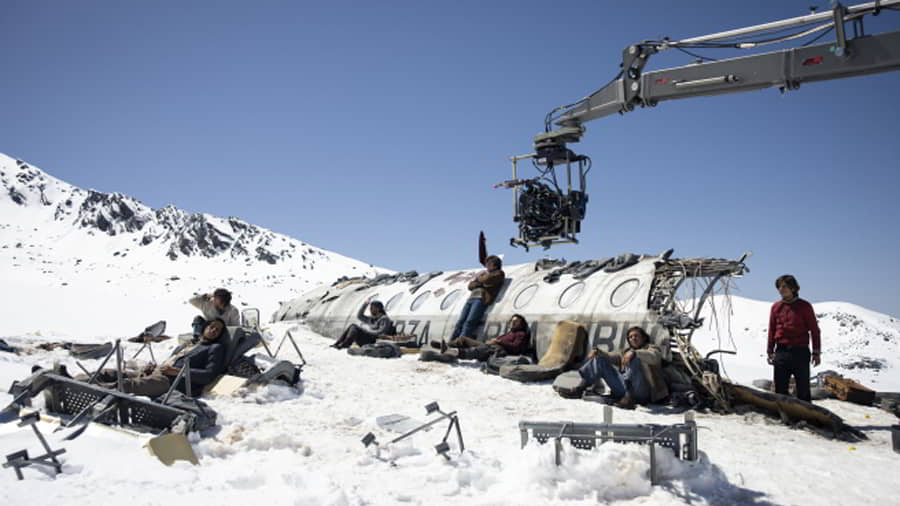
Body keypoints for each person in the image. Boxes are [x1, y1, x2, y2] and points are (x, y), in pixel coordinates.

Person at [75, 318, 228, 398]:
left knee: (127, 385)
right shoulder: (188, 344)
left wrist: (177, 372)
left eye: (218, 330)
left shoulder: (215, 348)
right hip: (156, 373)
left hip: (171, 382)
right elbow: (171, 362)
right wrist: (155, 367)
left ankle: (83, 390)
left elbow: (208, 375)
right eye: (212, 326)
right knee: (110, 373)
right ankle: (74, 381)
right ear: (205, 327)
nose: (214, 330)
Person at [575, 326, 669, 409]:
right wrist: (598, 352)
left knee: (634, 359)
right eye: (630, 337)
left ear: (644, 338)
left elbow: (654, 357)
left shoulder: (652, 349)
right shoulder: (625, 352)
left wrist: (635, 353)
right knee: (600, 359)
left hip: (643, 392)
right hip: (624, 389)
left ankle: (629, 398)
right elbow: (610, 356)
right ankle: (580, 388)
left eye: (636, 336)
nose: (633, 338)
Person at [767, 274, 821, 402]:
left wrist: (816, 352)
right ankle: (782, 413)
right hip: (781, 351)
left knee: (803, 389)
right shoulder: (776, 307)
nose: (781, 289)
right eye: (779, 287)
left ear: (793, 288)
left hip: (800, 352)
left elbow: (814, 330)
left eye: (784, 286)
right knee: (780, 389)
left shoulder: (805, 306)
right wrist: (770, 350)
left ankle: (805, 414)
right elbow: (772, 329)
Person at [449, 231, 506, 341]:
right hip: (472, 298)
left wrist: (480, 280)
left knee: (470, 321)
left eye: (489, 263)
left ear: (495, 265)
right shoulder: (484, 274)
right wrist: (480, 281)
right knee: (461, 321)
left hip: (481, 299)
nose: (487, 265)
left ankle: (461, 342)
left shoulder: (499, 273)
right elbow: (470, 286)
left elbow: (487, 280)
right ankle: (452, 341)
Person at [446, 314, 531, 361]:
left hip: (500, 350)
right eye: (512, 321)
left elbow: (516, 347)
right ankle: (445, 346)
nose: (513, 323)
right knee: (464, 339)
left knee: (478, 351)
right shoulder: (510, 333)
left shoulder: (521, 334)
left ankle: (454, 352)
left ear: (521, 324)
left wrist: (499, 341)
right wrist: (492, 341)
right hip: (492, 346)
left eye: (516, 321)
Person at [331, 301, 395, 349]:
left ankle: (345, 344)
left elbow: (381, 332)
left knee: (354, 326)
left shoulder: (384, 319)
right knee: (352, 326)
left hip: (374, 340)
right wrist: (364, 305)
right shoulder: (371, 319)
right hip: (368, 339)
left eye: (372, 308)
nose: (370, 310)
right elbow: (359, 316)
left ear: (378, 309)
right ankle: (338, 343)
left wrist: (367, 331)